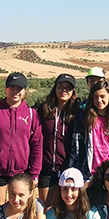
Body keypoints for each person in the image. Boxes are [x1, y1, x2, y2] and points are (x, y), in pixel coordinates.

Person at [0, 72, 43, 204]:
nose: (15, 92)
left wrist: (34, 173)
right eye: (12, 88)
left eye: (19, 89)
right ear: (6, 89)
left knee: (18, 211)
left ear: (24, 91)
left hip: (21, 172)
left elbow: (37, 144)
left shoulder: (31, 114)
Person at [69, 80, 109, 182]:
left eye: (102, 96)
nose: (99, 100)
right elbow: (76, 148)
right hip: (87, 176)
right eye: (95, 97)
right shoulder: (84, 119)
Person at [38, 73, 80, 207]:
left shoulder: (77, 112)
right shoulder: (44, 110)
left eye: (68, 88)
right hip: (46, 167)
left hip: (68, 167)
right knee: (46, 208)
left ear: (73, 91)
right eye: (60, 86)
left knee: (65, 208)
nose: (64, 90)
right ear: (55, 88)